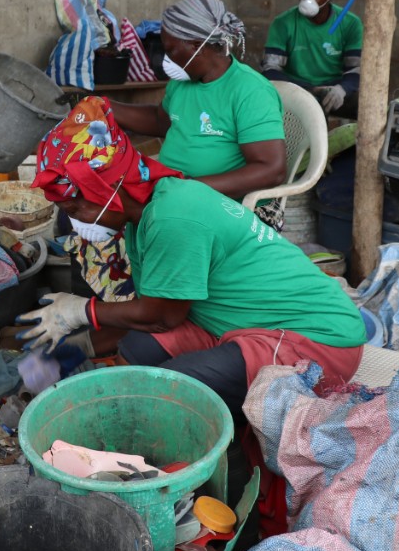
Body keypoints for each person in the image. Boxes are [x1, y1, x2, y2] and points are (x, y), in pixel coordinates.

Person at [19, 97, 367, 418]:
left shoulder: (174, 220)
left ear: (109, 189)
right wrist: (70, 351)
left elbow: (161, 317)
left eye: (76, 206)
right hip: (233, 320)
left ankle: (218, 465)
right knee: (138, 351)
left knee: (173, 389)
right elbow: (149, 315)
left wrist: (80, 312)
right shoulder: (149, 210)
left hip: (318, 340)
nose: (76, 218)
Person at [108, 0, 287, 216]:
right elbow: (160, 120)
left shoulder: (250, 91)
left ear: (196, 46)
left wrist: (192, 187)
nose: (167, 59)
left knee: (115, 222)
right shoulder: (183, 83)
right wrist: (107, 108)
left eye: (171, 50)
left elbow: (271, 170)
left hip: (230, 209)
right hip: (174, 195)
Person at [262, 0, 364, 118]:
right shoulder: (283, 23)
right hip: (295, 88)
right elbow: (270, 69)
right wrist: (309, 90)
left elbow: (357, 69)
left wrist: (342, 89)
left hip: (334, 90)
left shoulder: (350, 23)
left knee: (366, 105)